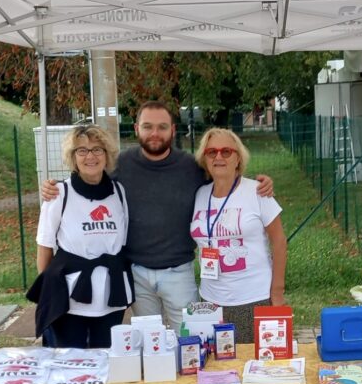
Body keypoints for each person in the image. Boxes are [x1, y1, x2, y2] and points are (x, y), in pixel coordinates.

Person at [41, 102, 273, 329]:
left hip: (179, 272)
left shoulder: (191, 167)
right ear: (136, 129)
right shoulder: (120, 165)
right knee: (147, 342)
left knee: (190, 339)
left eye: (162, 127)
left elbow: (225, 176)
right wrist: (55, 187)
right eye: (147, 126)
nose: (154, 133)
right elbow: (89, 177)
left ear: (173, 130)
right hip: (137, 272)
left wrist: (260, 184)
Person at [28, 124, 134, 348]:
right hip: (70, 299)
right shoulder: (59, 194)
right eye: (82, 150)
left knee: (107, 360)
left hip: (110, 296)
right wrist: (49, 292)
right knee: (69, 363)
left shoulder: (119, 192)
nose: (90, 156)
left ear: (107, 155)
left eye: (97, 149)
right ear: (73, 157)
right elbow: (45, 246)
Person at [190, 128, 286, 341]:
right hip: (211, 300)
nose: (218, 157)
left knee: (254, 365)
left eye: (226, 151)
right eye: (211, 152)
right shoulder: (200, 194)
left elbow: (279, 241)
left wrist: (277, 293)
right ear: (204, 158)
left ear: (238, 158)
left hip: (253, 298)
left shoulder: (258, 191)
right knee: (217, 368)